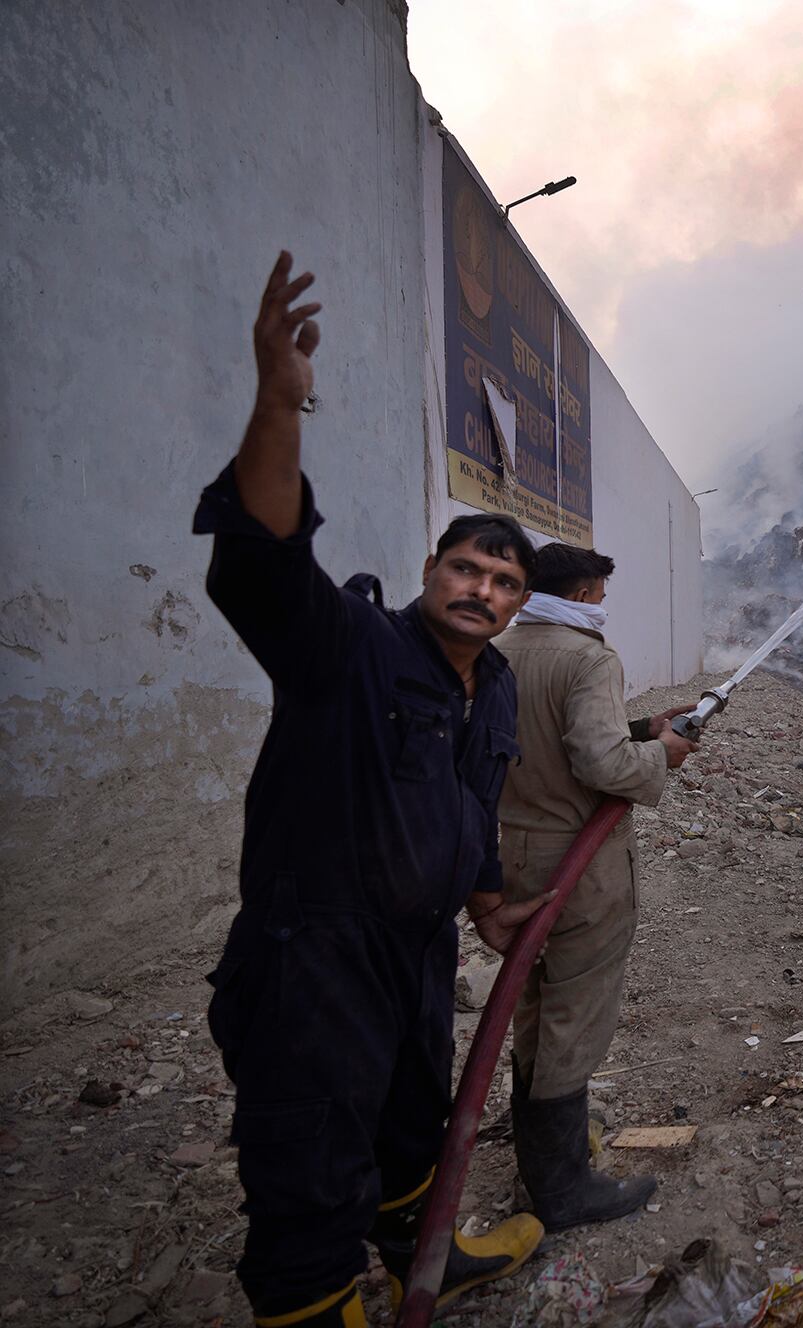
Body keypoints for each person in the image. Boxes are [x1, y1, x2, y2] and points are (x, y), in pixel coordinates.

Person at [194, 252, 549, 1327]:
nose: (481, 589)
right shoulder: (346, 645)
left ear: (516, 605)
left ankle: (421, 1260)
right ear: (431, 569)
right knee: (312, 1157)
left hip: (417, 950)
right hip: (315, 955)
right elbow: (263, 559)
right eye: (466, 569)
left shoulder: (495, 686)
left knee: (409, 1122)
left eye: (503, 582)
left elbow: (472, 807)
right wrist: (278, 400)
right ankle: (311, 1306)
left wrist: (486, 902)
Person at [494, 544, 697, 1227]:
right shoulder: (588, 657)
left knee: (532, 1000)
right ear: (583, 594)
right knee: (576, 1010)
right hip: (579, 866)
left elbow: (545, 739)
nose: (603, 607)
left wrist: (644, 728)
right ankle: (561, 1189)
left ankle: (536, 1147)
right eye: (601, 595)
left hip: (519, 851)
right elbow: (601, 765)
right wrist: (662, 753)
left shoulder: (502, 650)